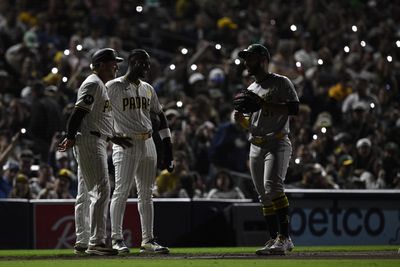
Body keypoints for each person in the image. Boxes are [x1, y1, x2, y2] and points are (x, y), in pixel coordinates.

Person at [58, 48, 132, 256]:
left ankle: (82, 240)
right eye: (112, 62)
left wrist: (112, 137)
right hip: (90, 141)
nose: (116, 66)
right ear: (99, 65)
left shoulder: (99, 84)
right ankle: (97, 242)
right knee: (101, 189)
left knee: (85, 193)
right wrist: (71, 136)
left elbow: (95, 120)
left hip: (95, 138)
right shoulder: (93, 83)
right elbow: (78, 113)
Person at [234, 44, 299, 255]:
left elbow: (294, 108)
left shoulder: (281, 82)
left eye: (250, 58)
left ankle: (285, 237)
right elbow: (254, 122)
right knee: (263, 195)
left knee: (273, 187)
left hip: (277, 141)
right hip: (256, 143)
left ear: (263, 59)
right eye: (245, 59)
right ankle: (273, 238)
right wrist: (241, 122)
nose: (246, 62)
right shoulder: (251, 88)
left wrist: (264, 105)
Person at [106, 49, 173, 254]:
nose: (146, 67)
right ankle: (116, 239)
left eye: (148, 64)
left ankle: (148, 240)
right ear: (132, 62)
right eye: (143, 63)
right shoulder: (113, 86)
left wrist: (168, 146)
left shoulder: (148, 88)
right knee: (121, 191)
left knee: (147, 193)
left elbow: (160, 116)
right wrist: (110, 136)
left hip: (148, 141)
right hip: (125, 142)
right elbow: (97, 114)